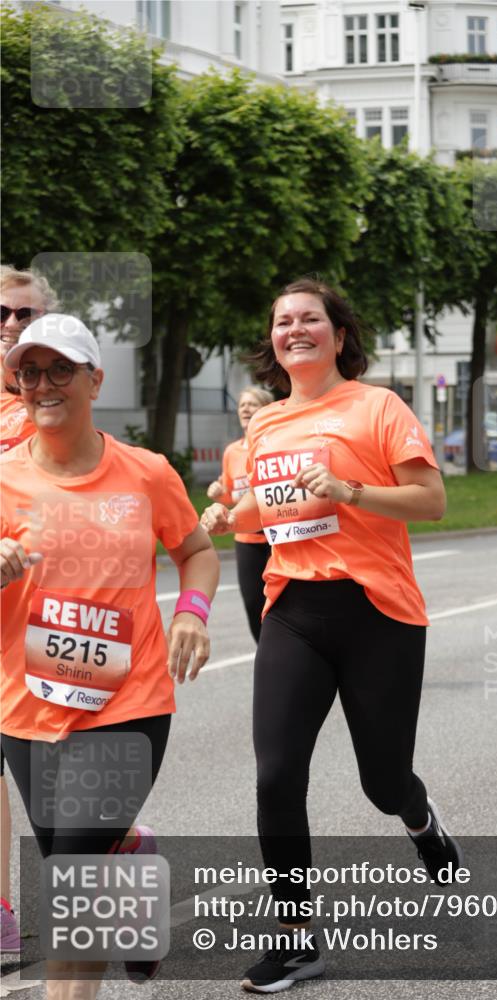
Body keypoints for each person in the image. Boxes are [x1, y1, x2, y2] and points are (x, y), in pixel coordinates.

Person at [201, 277, 462, 994]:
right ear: (273, 341)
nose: (294, 329)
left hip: (378, 613)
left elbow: (431, 500)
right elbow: (269, 509)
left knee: (381, 782)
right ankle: (295, 938)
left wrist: (350, 492)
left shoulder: (377, 407)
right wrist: (231, 517)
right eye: (282, 321)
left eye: (309, 318)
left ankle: (419, 818)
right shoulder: (266, 425)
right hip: (293, 609)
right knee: (275, 775)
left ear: (337, 335)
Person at [0, 314, 220, 997]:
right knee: (80, 866)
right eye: (30, 372)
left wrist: (192, 613)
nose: (43, 385)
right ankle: (132, 869)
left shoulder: (147, 473)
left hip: (128, 705)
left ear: (96, 379)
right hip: (27, 711)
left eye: (60, 369)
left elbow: (196, 550)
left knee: (72, 890)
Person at [0, 264, 58, 953]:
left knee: (49, 784)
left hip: (44, 614)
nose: (11, 325)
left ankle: (119, 845)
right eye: (1, 314)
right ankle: (4, 911)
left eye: (25, 314)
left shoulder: (49, 403)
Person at [207, 387, 273, 642]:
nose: (245, 409)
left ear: (266, 410)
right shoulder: (231, 451)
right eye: (242, 404)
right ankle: (265, 652)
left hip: (275, 537)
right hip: (246, 540)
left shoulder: (275, 444)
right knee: (253, 604)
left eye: (252, 404)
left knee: (281, 604)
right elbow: (233, 496)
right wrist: (219, 494)